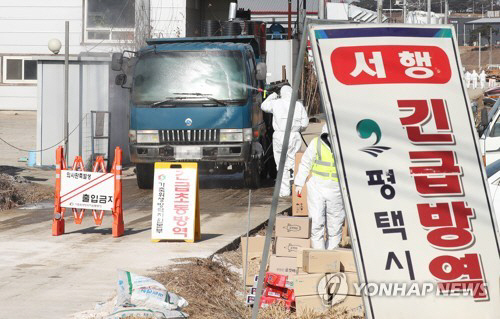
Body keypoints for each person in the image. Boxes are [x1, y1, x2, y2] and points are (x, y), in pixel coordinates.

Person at [294, 124, 345, 250]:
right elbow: (305, 162)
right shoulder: (316, 144)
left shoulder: (344, 145)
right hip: (317, 187)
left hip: (337, 189)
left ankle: (331, 257)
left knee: (335, 225)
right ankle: (318, 256)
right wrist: (299, 183)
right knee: (316, 222)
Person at [261, 85, 309, 197]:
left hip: (279, 136)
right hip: (294, 136)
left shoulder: (276, 103)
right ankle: (295, 188)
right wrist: (298, 129)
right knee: (293, 162)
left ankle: (284, 191)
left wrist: (272, 96)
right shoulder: (298, 105)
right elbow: (305, 124)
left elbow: (263, 106)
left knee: (281, 164)